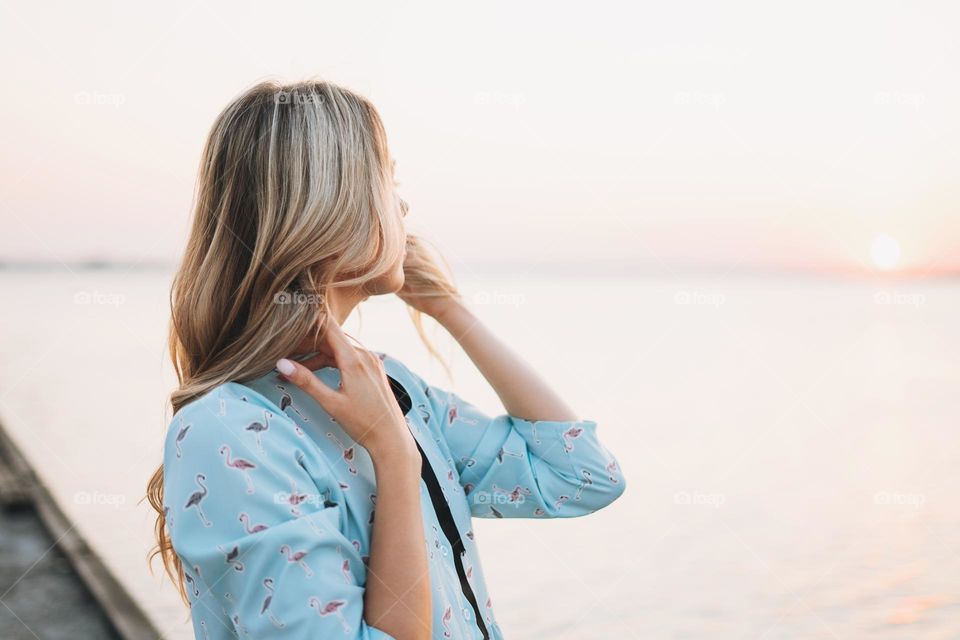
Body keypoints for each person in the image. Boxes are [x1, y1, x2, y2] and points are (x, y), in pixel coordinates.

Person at [147, 79, 626, 640]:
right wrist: (395, 458)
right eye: (387, 180)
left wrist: (449, 311)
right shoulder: (228, 432)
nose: (403, 204)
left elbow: (581, 475)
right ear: (328, 206)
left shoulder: (391, 388)